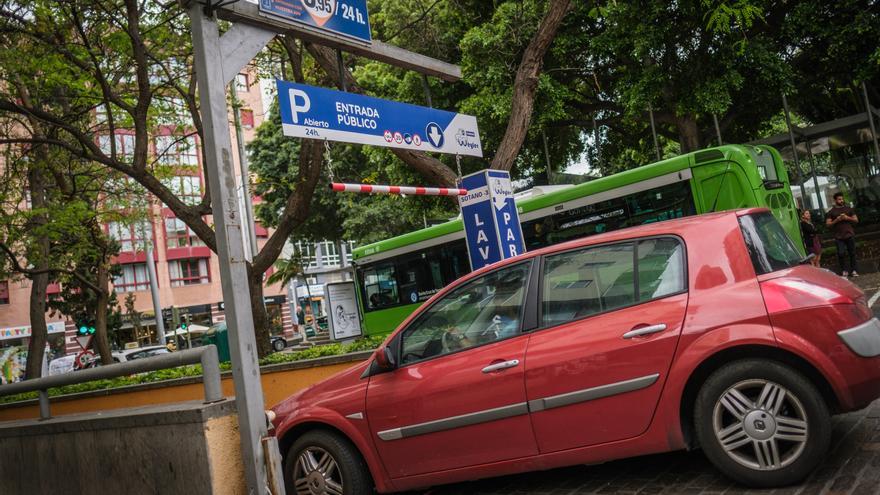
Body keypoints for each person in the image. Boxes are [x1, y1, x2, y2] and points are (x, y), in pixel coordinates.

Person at [826, 192, 859, 277]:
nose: (841, 200)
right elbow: (828, 224)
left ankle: (854, 270)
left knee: (852, 253)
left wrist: (847, 218)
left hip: (849, 234)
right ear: (835, 200)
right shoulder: (831, 212)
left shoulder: (849, 209)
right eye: (839, 199)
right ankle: (844, 270)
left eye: (842, 199)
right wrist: (837, 220)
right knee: (841, 253)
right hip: (839, 236)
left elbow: (856, 220)